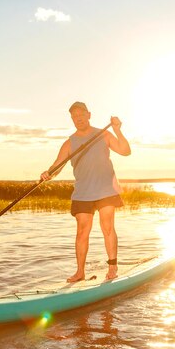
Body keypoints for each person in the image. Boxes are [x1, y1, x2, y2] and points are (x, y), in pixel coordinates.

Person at [41, 101, 131, 282]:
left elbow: (125, 151)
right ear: (72, 119)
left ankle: (112, 267)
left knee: (107, 226)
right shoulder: (69, 143)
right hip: (83, 192)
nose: (78, 119)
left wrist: (117, 130)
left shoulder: (103, 134)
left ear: (89, 115)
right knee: (82, 231)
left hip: (106, 188)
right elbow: (57, 166)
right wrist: (48, 173)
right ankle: (80, 272)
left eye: (81, 115)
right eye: (75, 116)